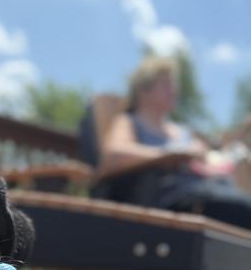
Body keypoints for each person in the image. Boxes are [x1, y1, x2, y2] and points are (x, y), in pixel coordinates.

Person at [103, 57, 251, 230]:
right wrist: (171, 154)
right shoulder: (129, 121)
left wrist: (243, 130)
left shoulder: (181, 130)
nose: (174, 90)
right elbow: (114, 154)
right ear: (144, 88)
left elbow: (218, 152)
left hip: (212, 191)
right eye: (166, 84)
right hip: (175, 200)